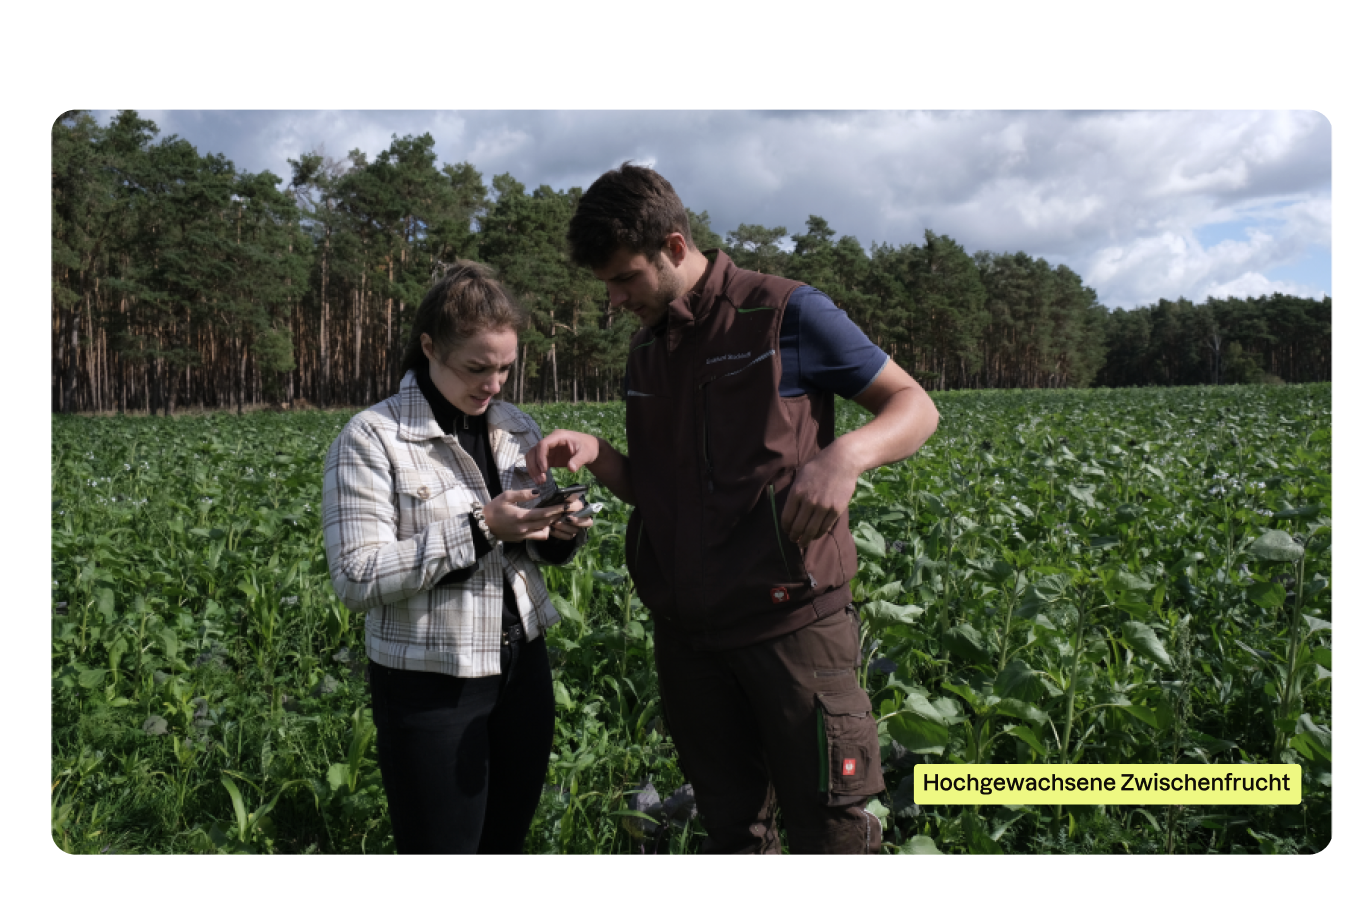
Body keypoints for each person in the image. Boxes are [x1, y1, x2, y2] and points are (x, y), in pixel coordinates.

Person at [528, 164, 940, 854]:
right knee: (732, 832)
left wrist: (845, 458)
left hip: (791, 627)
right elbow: (659, 489)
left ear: (676, 246)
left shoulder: (784, 312)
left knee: (831, 831)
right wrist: (599, 453)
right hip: (690, 639)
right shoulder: (648, 351)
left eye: (625, 279)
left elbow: (915, 406)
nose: (616, 300)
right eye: (606, 285)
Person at [322, 260, 593, 854]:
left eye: (504, 368)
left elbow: (530, 550)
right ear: (429, 348)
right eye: (477, 367)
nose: (494, 384)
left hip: (524, 668)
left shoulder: (514, 426)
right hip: (431, 684)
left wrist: (563, 528)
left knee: (505, 845)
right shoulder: (372, 438)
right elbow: (355, 576)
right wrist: (479, 527)